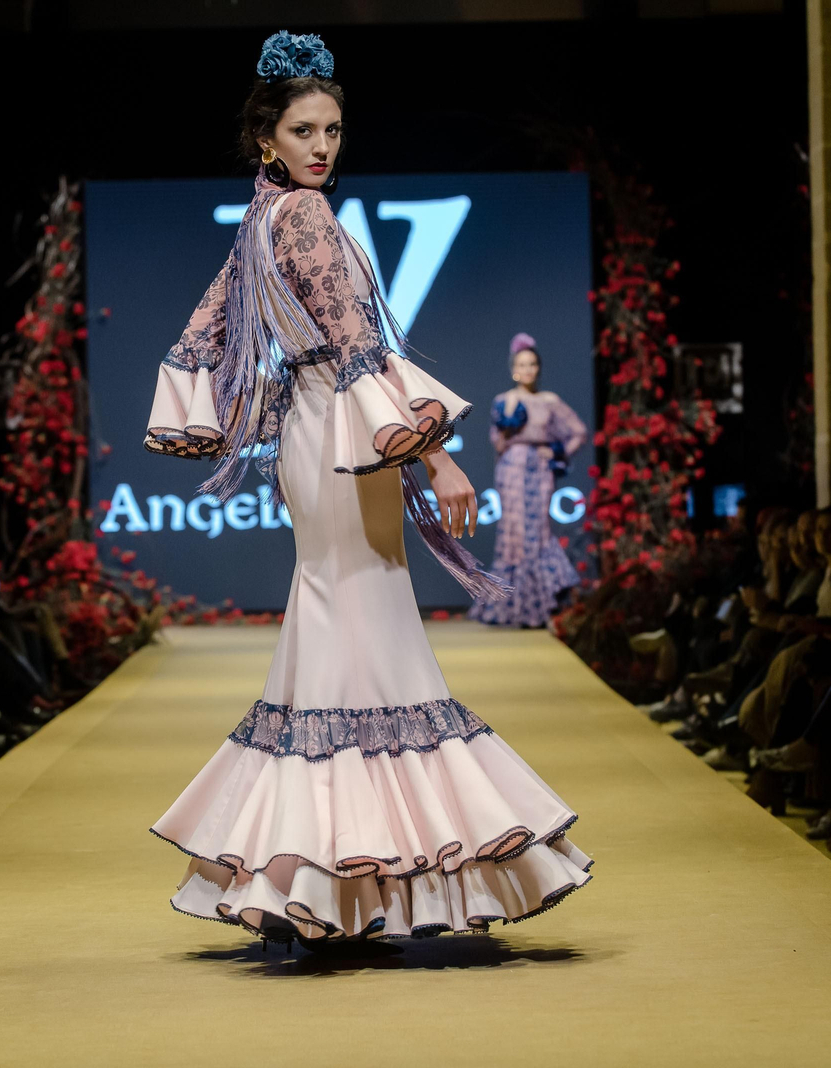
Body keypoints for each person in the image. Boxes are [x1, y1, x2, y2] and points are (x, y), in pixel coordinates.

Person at [142, 32, 591, 948]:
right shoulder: (304, 218)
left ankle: (315, 877)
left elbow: (207, 329)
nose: (323, 147)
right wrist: (435, 455)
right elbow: (357, 344)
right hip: (350, 435)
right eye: (303, 130)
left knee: (337, 633)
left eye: (335, 130)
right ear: (266, 136)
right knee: (371, 630)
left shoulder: (262, 218)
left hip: (319, 436)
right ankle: (381, 874)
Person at [468, 333, 588, 628]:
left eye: (533, 363)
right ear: (514, 368)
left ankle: (538, 606)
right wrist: (510, 412)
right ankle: (511, 608)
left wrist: (556, 450)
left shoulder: (549, 401)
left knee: (537, 532)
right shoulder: (503, 401)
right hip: (510, 469)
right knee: (513, 533)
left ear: (539, 368)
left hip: (539, 469)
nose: (528, 369)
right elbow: (497, 442)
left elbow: (578, 432)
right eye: (522, 364)